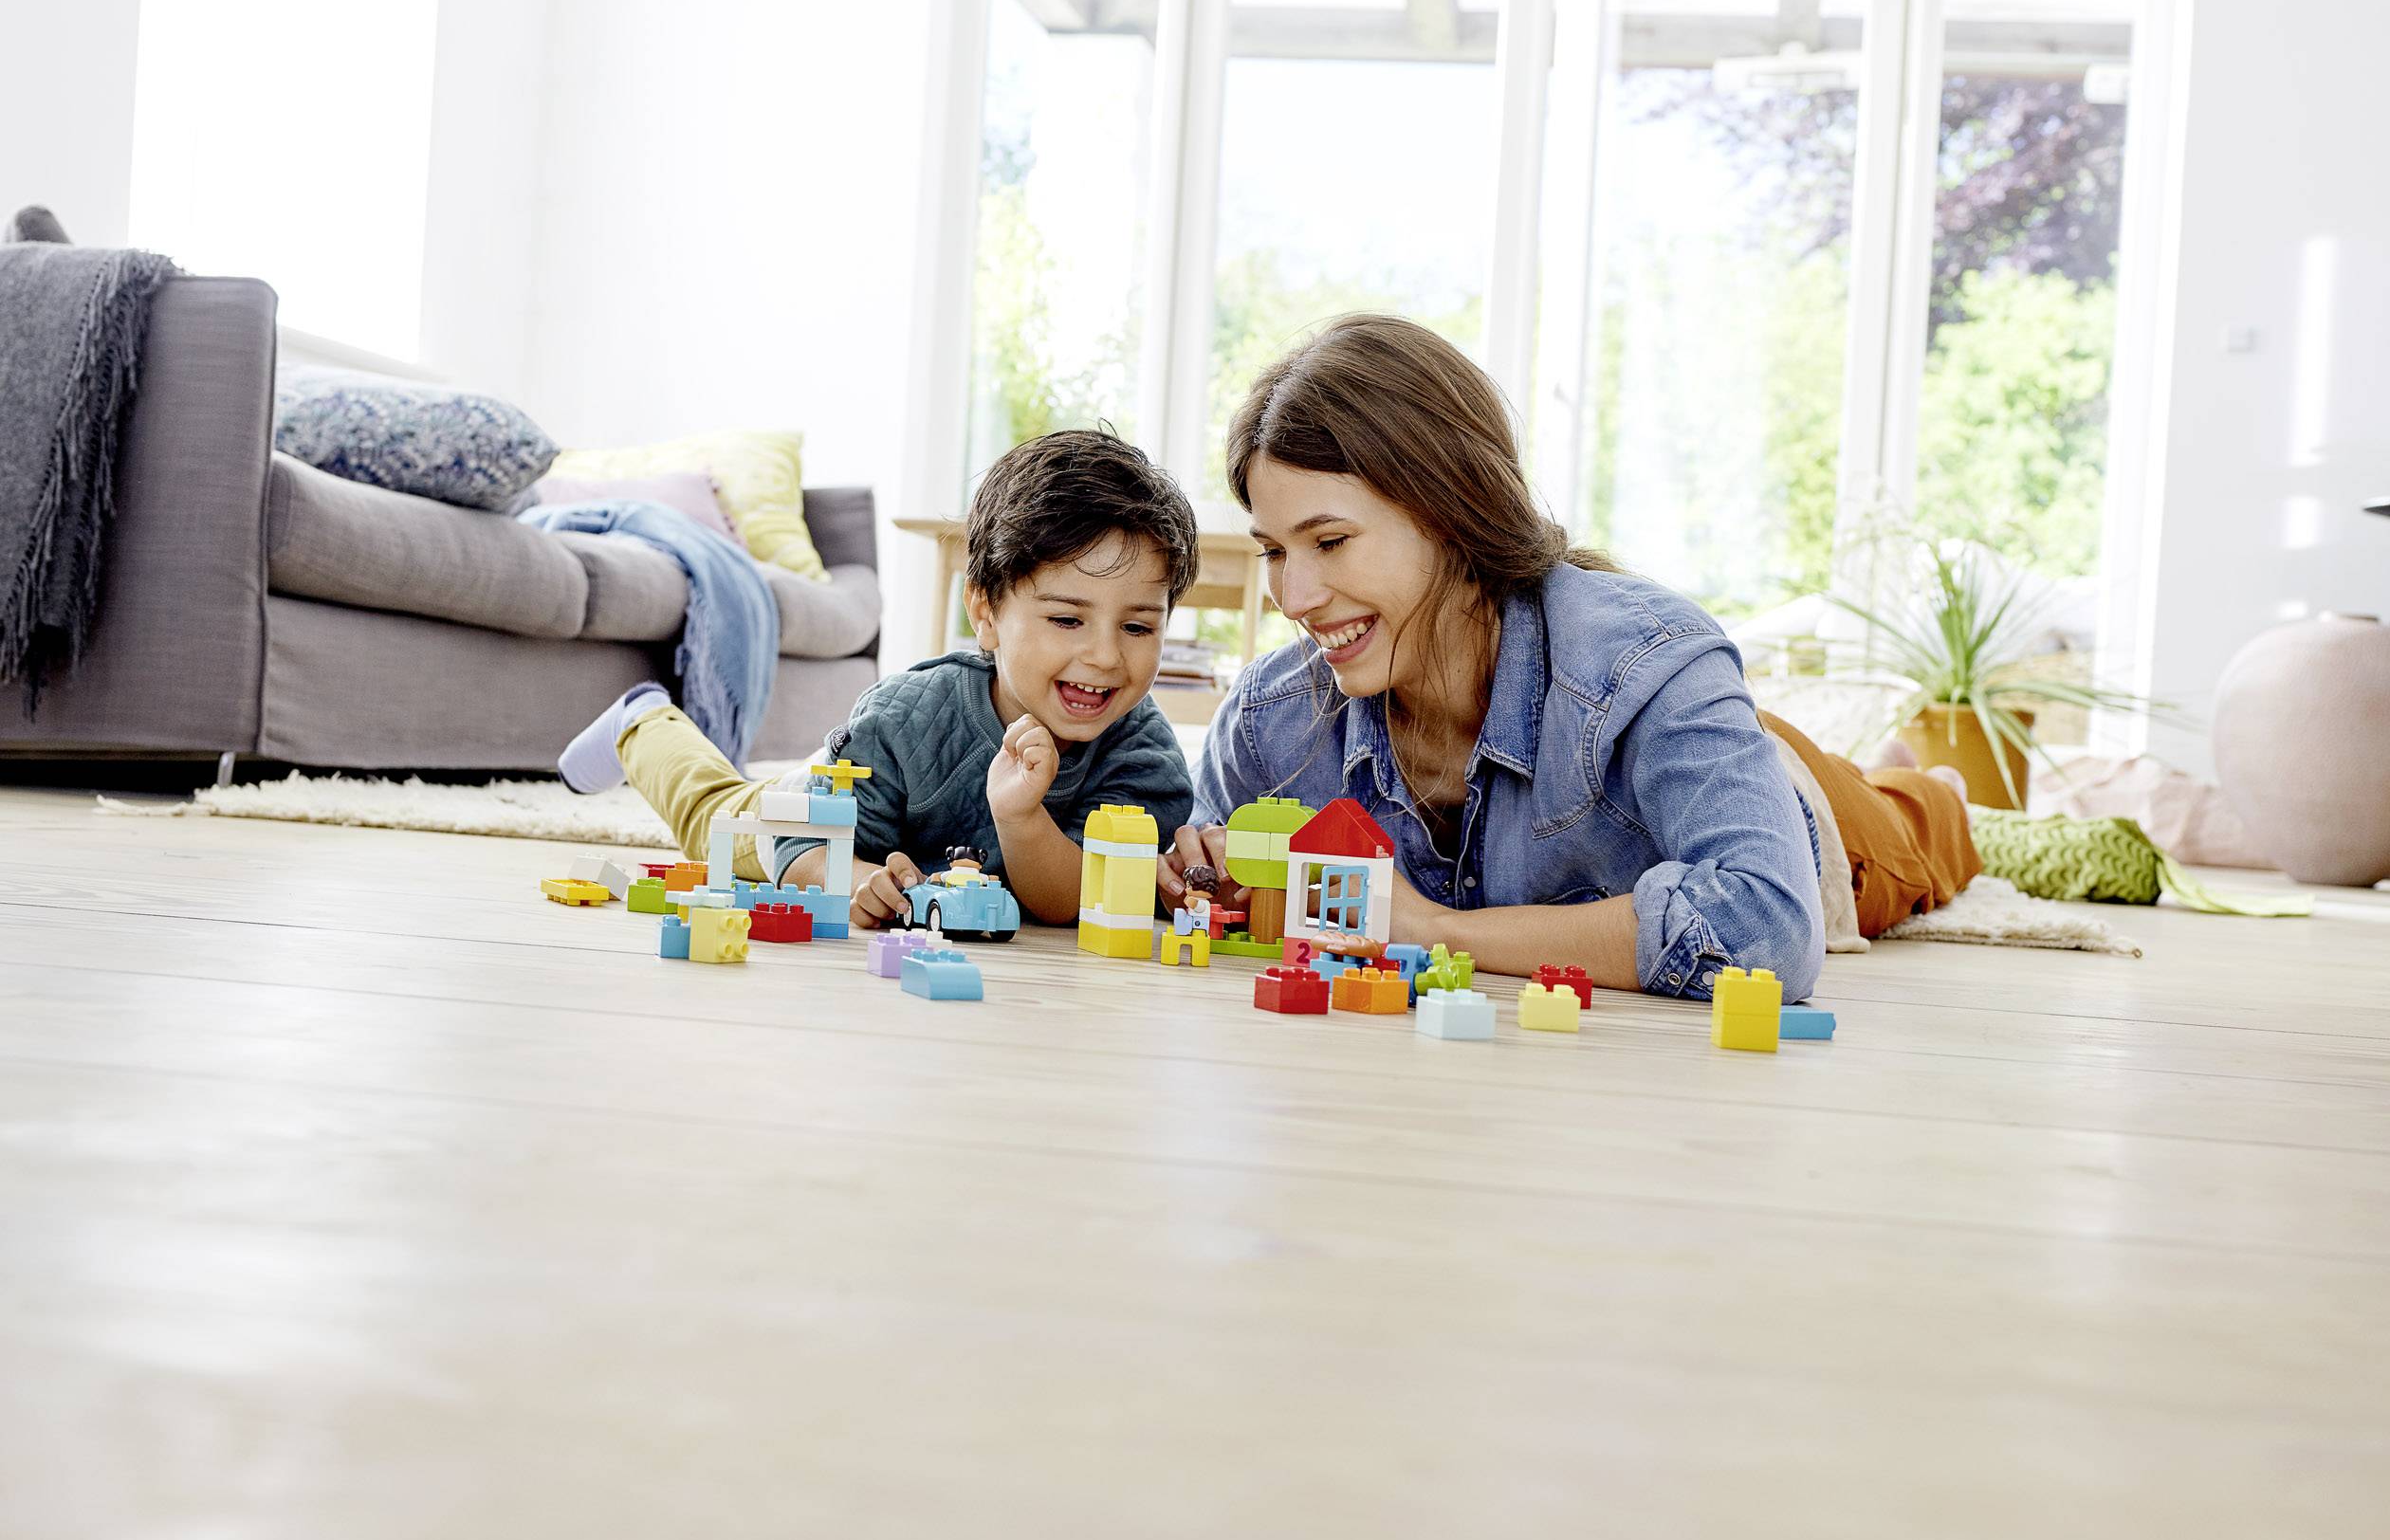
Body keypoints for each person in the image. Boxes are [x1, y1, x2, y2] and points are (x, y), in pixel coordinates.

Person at [1159, 315, 1978, 998]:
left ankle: (1924, 783)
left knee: (1921, 833)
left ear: (1449, 511)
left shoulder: (1651, 668)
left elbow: (1770, 925)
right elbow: (1211, 884)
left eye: (1330, 541)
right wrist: (1202, 876)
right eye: (1273, 550)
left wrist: (1433, 929)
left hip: (1817, 823)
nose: (1294, 598)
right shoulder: (1273, 722)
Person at [561, 429, 1201, 930]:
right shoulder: (906, 718)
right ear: (985, 613)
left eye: (1138, 628)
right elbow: (808, 848)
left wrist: (1020, 815)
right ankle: (642, 721)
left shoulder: (1143, 755)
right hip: (820, 803)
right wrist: (859, 879)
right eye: (1067, 618)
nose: (1105, 657)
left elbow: (1078, 900)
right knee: (710, 824)